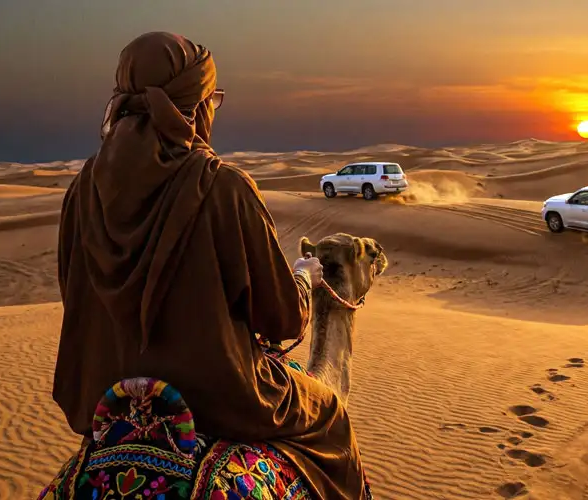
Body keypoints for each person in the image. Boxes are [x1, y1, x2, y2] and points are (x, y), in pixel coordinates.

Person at [53, 31, 368, 499]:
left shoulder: (81, 193)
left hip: (111, 402)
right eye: (211, 98)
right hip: (226, 400)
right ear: (196, 106)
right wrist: (303, 277)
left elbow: (73, 296)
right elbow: (281, 318)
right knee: (331, 416)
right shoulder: (224, 188)